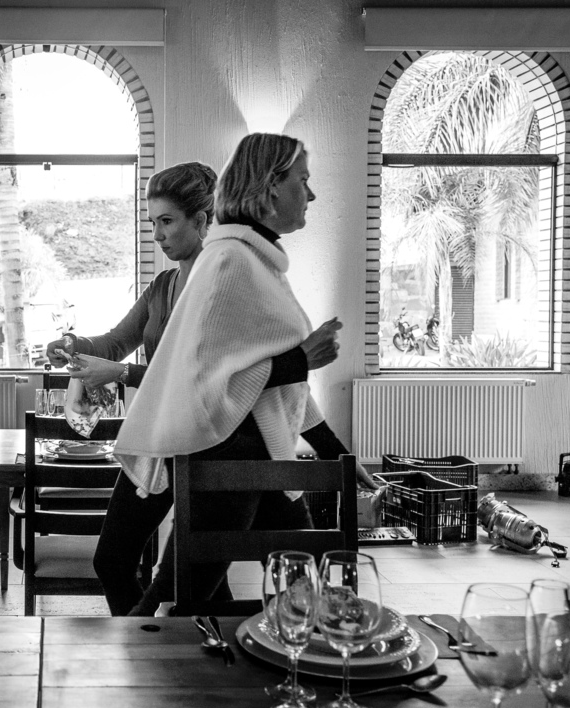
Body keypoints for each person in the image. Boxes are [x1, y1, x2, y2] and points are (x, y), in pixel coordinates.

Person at [112, 132, 377, 615]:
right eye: (303, 180)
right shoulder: (232, 259)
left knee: (295, 594)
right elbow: (207, 373)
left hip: (258, 457)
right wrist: (303, 357)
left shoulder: (250, 258)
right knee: (172, 605)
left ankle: (283, 670)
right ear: (271, 186)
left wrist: (337, 453)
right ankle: (130, 679)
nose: (311, 194)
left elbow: (267, 381)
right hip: (227, 460)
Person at [43, 162, 221, 615]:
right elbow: (117, 342)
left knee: (194, 580)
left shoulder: (218, 285)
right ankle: (156, 654)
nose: (157, 234)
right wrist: (72, 344)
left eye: (167, 221)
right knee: (116, 560)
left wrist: (120, 375)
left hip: (208, 449)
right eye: (152, 222)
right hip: (159, 441)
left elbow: (197, 376)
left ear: (201, 221)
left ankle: (174, 658)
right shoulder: (163, 284)